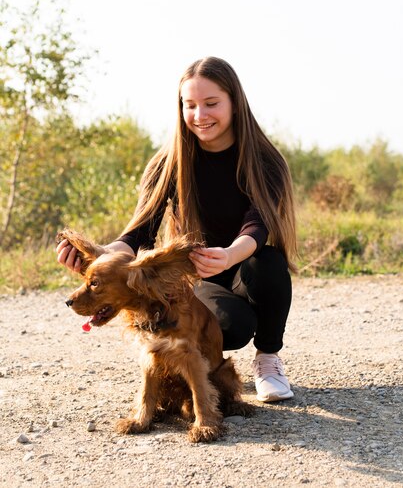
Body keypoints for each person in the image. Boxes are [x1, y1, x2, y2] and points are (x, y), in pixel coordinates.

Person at [57, 57, 297, 402]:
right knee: (233, 325)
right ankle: (216, 363)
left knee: (270, 263)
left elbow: (257, 224)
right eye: (191, 105)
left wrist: (228, 255)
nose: (201, 115)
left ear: (234, 103)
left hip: (244, 264)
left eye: (212, 103)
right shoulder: (168, 162)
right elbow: (140, 232)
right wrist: (99, 258)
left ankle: (269, 359)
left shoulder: (265, 160)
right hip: (197, 278)